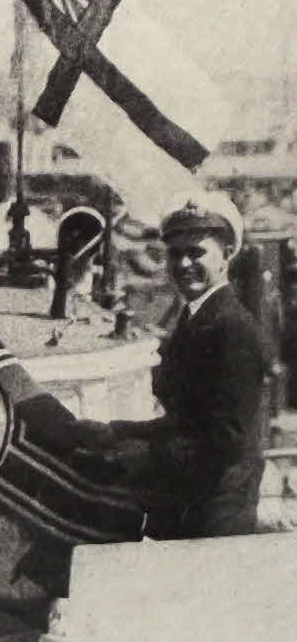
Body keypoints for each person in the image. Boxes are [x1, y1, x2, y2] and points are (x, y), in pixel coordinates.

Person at [76, 190, 269, 540]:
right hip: (190, 500)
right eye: (175, 254)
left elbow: (227, 442)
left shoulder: (232, 329)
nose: (182, 264)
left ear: (226, 255)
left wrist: (140, 456)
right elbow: (186, 423)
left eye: (196, 253)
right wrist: (117, 431)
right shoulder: (197, 316)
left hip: (216, 514)